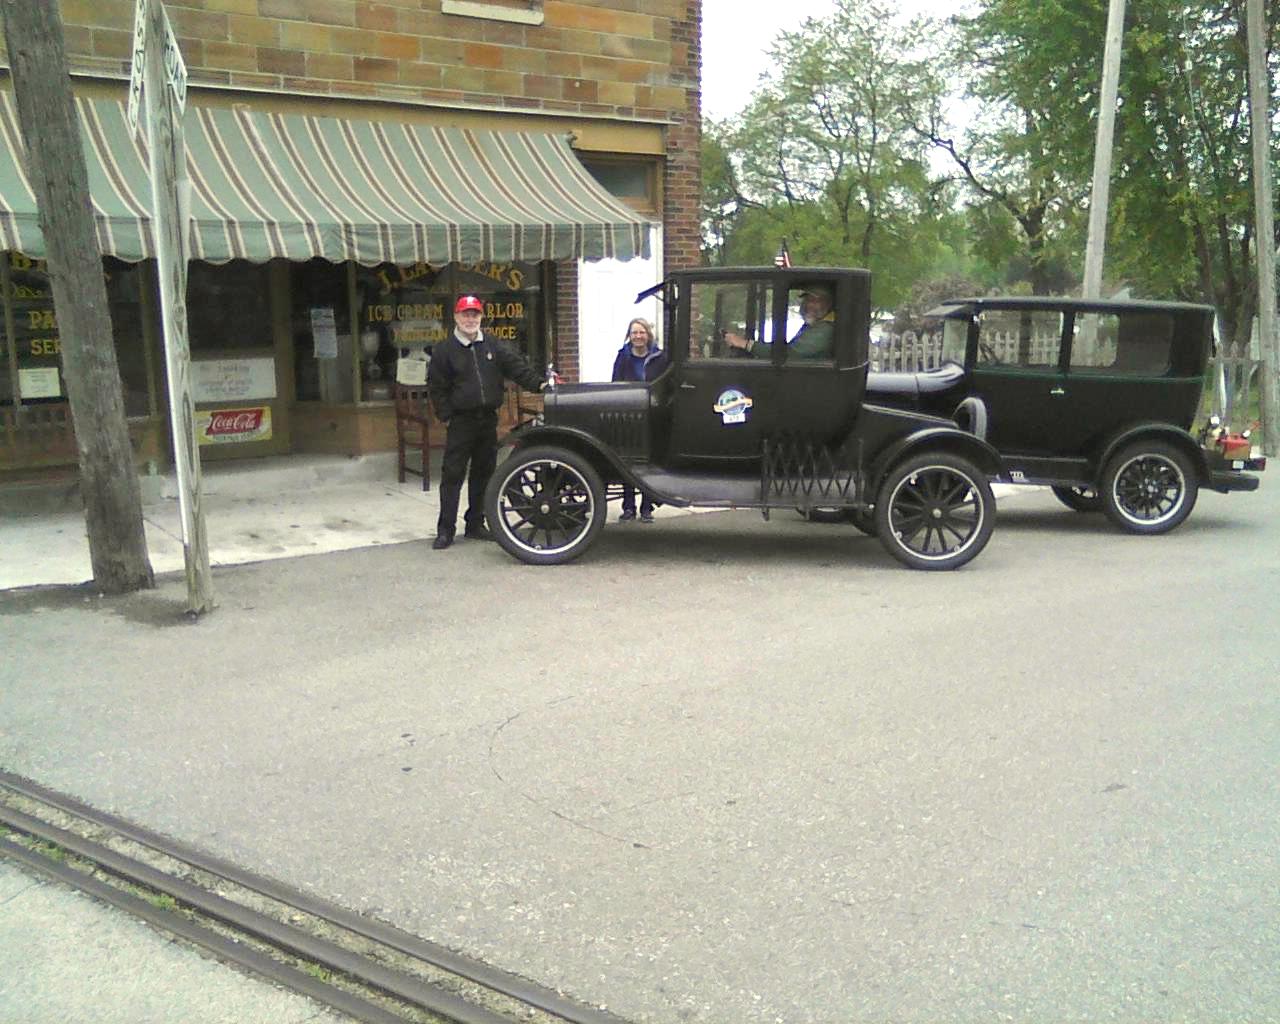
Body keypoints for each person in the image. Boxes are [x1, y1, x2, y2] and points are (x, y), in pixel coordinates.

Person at [426, 295, 548, 550]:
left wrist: (540, 384)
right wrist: (446, 416)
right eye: (465, 314)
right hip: (460, 421)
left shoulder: (492, 345)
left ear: (481, 317)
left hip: (487, 420)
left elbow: (517, 368)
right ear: (456, 318)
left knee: (483, 474)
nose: (470, 319)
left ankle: (475, 525)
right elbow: (436, 388)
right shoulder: (444, 350)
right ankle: (445, 530)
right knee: (453, 476)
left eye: (475, 314)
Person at [610, 317, 668, 523]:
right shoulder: (622, 357)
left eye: (641, 332)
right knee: (628, 464)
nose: (638, 336)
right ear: (629, 335)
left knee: (648, 464)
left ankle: (646, 508)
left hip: (651, 416)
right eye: (634, 332)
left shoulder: (659, 358)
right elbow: (615, 384)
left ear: (648, 335)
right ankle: (628, 508)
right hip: (629, 417)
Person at [724, 283, 835, 360]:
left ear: (829, 303)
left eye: (817, 301)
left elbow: (790, 354)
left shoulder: (825, 329)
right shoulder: (813, 326)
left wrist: (745, 344)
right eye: (809, 300)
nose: (810, 305)